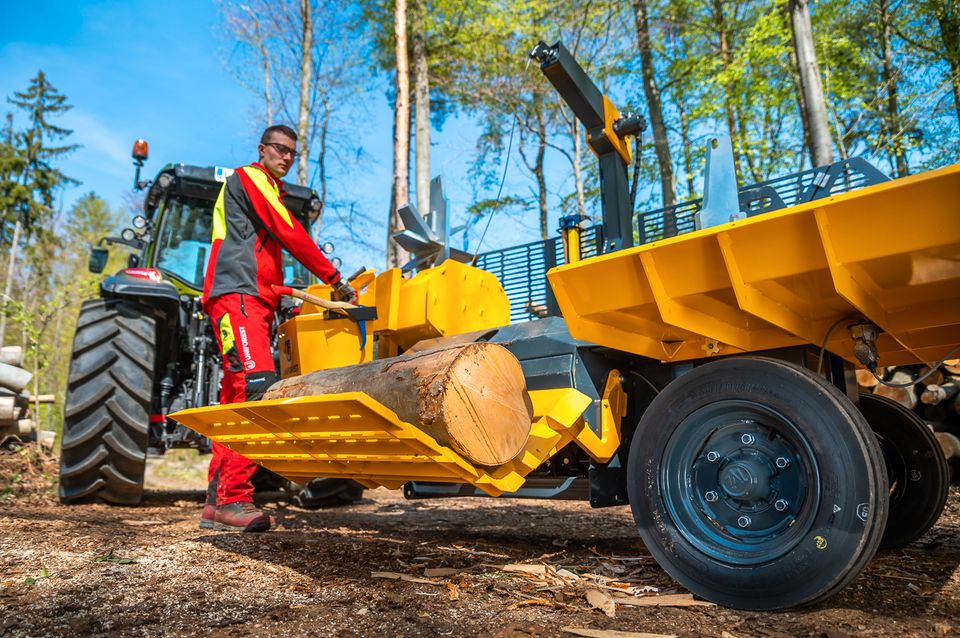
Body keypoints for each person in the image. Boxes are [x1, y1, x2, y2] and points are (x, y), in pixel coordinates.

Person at [199, 124, 357, 532]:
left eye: (292, 152)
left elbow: (265, 263)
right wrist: (334, 276)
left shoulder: (263, 198)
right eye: (279, 149)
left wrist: (295, 290)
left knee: (236, 398)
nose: (286, 157)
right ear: (262, 149)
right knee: (258, 389)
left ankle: (217, 504)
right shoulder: (249, 178)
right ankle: (234, 499)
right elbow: (289, 231)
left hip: (251, 298)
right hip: (238, 298)